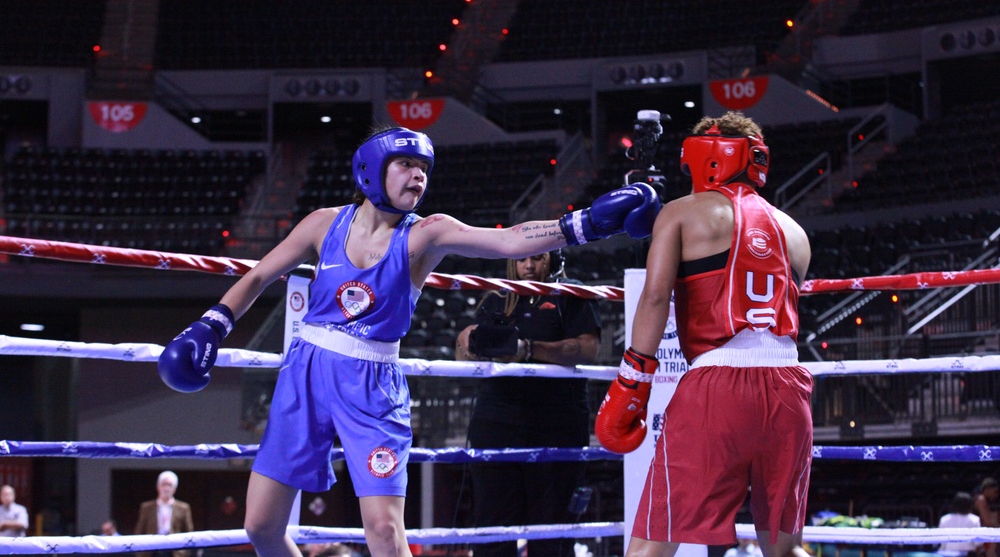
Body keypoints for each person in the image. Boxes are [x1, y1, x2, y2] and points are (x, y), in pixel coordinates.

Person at [157, 126, 661, 557]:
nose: (418, 175)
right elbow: (259, 275)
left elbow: (507, 240)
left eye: (424, 166)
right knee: (261, 526)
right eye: (405, 164)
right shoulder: (322, 224)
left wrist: (585, 224)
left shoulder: (426, 235)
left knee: (384, 529)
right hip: (305, 374)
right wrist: (213, 323)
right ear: (372, 169)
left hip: (372, 385)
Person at [594, 111, 813, 557]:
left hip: (718, 385)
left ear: (703, 157)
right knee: (785, 549)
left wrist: (632, 380)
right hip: (791, 390)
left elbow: (655, 298)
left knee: (650, 547)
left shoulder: (681, 213)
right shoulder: (796, 233)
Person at [455, 249, 601, 557]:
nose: (529, 266)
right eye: (522, 259)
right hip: (497, 418)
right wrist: (468, 342)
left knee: (551, 527)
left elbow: (588, 349)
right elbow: (463, 351)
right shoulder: (498, 296)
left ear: (554, 259)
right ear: (512, 260)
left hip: (556, 420)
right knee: (493, 524)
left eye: (537, 258)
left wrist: (528, 349)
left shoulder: (570, 292)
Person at [133, 470, 194, 557]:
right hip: (152, 551)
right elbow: (139, 531)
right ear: (158, 487)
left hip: (174, 551)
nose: (166, 488)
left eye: (170, 485)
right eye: (164, 484)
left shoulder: (184, 508)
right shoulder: (146, 507)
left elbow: (189, 532)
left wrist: (185, 553)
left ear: (174, 489)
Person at [937, 491, 981, 557]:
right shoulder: (975, 519)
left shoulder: (945, 519)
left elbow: (940, 541)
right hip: (963, 554)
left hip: (950, 553)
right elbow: (978, 543)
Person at [974, 478, 999, 557]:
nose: (996, 495)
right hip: (977, 534)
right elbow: (988, 522)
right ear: (987, 489)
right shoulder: (981, 500)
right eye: (995, 492)